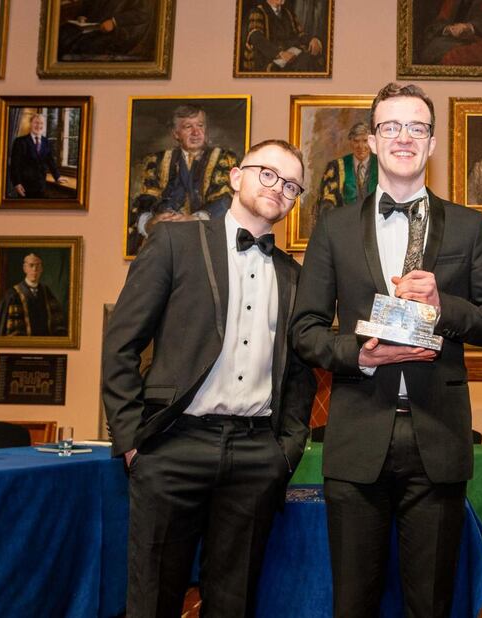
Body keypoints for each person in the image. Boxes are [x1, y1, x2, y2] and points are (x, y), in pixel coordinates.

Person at [291, 82, 482, 617]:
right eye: (390, 126)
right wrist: (360, 355)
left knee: (431, 604)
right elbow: (304, 329)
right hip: (356, 434)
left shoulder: (469, 225)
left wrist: (443, 306)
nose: (403, 137)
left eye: (416, 127)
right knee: (353, 604)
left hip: (437, 437)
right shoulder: (335, 225)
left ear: (432, 143)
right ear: (371, 138)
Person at [102, 139, 317, 616]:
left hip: (257, 453)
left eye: (291, 185)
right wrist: (133, 439)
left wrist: (286, 449)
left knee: (233, 602)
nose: (279, 188)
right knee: (152, 597)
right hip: (172, 446)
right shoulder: (175, 242)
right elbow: (121, 343)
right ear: (236, 176)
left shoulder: (296, 276)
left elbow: (300, 374)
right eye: (268, 173)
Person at [128, 104, 238, 255]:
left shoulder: (223, 158)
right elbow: (147, 197)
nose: (196, 132)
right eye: (188, 127)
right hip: (166, 243)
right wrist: (149, 223)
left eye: (200, 125)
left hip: (208, 242)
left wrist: (194, 219)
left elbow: (225, 199)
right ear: (175, 133)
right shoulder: (157, 160)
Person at [313, 122, 378, 224]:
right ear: (350, 142)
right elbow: (327, 201)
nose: (360, 146)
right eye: (356, 141)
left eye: (365, 141)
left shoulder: (381, 165)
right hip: (344, 225)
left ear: (371, 142)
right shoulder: (336, 167)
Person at [419, 0, 482, 66]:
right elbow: (440, 21)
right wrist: (448, 28)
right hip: (451, 40)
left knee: (451, 57)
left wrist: (469, 27)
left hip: (481, 39)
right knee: (430, 50)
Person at [242, 0, 324, 72]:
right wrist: (280, 53)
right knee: (305, 62)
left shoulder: (288, 13)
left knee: (310, 59)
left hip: (291, 56)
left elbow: (300, 34)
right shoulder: (257, 12)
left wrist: (313, 39)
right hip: (269, 60)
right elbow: (256, 38)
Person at [57, 0, 155, 60]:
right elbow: (88, 4)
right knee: (62, 34)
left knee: (87, 46)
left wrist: (114, 22)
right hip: (92, 25)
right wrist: (82, 15)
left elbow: (143, 13)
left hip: (120, 29)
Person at [0, 253, 67, 337]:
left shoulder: (46, 292)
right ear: (24, 269)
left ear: (41, 269)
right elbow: (10, 332)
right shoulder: (13, 294)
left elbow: (57, 325)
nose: (35, 269)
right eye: (31, 265)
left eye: (38, 266)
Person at [9, 114, 65, 199]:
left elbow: (51, 161)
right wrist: (17, 183)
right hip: (24, 187)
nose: (39, 126)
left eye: (41, 123)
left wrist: (57, 177)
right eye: (36, 123)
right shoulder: (20, 141)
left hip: (41, 186)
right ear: (30, 124)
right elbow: (14, 165)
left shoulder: (46, 142)